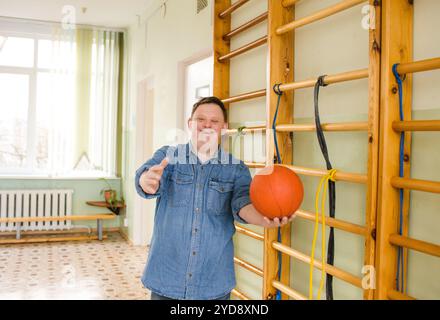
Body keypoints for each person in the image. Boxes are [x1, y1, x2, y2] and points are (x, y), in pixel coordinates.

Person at [135, 96, 294, 300]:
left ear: (224, 127)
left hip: (213, 284)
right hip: (166, 279)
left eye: (215, 121)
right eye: (200, 119)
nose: (207, 124)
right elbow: (146, 176)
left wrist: (265, 219)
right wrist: (146, 181)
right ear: (190, 123)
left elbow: (243, 205)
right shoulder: (169, 156)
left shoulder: (236, 169)